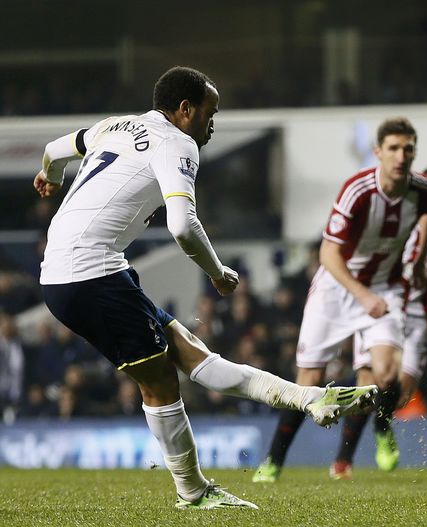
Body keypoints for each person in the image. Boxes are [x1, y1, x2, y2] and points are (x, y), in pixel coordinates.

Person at [33, 66, 377, 510]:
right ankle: (192, 493)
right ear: (184, 109)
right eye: (209, 113)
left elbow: (51, 151)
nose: (212, 124)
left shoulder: (111, 126)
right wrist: (217, 272)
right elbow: (182, 224)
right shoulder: (179, 143)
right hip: (87, 274)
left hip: (83, 271)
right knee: (159, 382)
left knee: (195, 356)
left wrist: (52, 176)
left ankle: (310, 398)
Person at [252, 117, 427, 483]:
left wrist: (417, 258)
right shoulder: (358, 191)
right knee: (308, 381)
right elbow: (328, 254)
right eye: (394, 148)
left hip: (384, 287)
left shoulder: (424, 192)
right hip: (338, 288)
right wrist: (362, 295)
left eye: (408, 149)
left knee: (385, 375)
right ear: (378, 153)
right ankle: (273, 461)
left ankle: (366, 444)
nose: (402, 156)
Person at [329, 163, 427, 480]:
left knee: (402, 390)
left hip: (418, 313)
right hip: (382, 306)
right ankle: (342, 461)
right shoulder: (400, 218)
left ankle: (382, 424)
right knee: (367, 384)